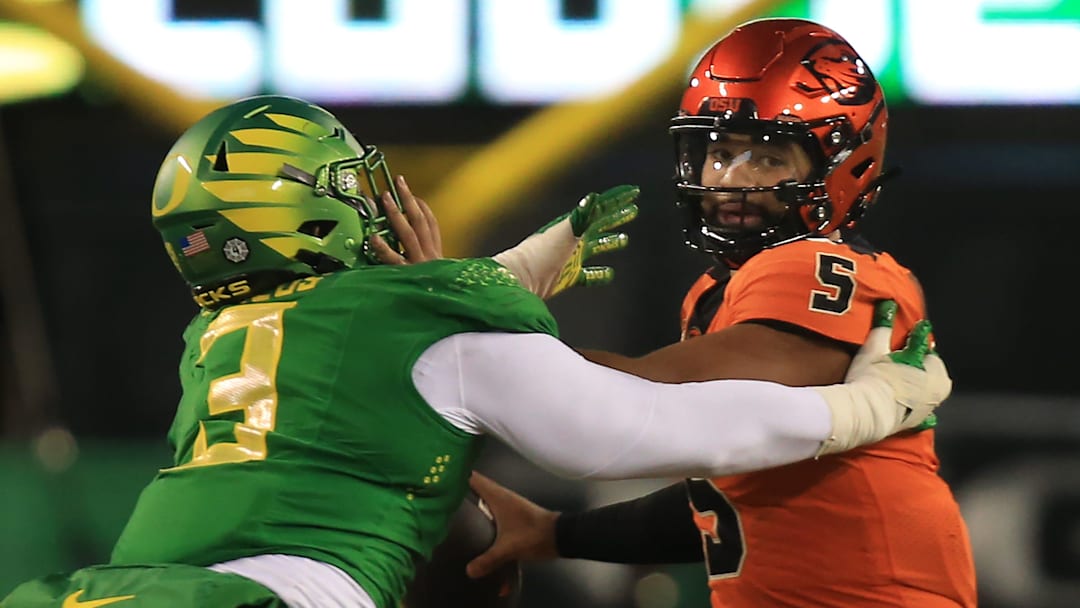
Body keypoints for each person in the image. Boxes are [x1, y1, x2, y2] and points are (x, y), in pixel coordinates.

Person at [2, 94, 949, 608]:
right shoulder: (419, 319)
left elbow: (384, 350)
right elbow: (629, 431)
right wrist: (864, 405)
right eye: (351, 184)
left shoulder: (216, 338)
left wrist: (494, 279)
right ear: (314, 207)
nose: (381, 200)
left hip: (115, 586)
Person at [466, 18, 977, 608]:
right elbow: (731, 502)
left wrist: (477, 326)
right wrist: (558, 533)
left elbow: (648, 399)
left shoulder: (813, 264)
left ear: (843, 164)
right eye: (720, 152)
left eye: (767, 157)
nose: (732, 178)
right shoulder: (722, 288)